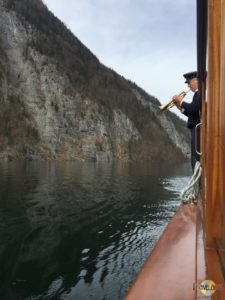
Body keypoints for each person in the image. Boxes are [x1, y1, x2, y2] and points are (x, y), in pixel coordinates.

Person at [172, 71, 201, 171]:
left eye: (189, 82)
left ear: (196, 80)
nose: (188, 86)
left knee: (196, 159)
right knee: (194, 159)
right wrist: (178, 106)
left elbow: (193, 109)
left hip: (198, 131)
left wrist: (181, 101)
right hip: (196, 130)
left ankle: (199, 182)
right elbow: (191, 113)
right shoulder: (197, 94)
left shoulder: (200, 93)